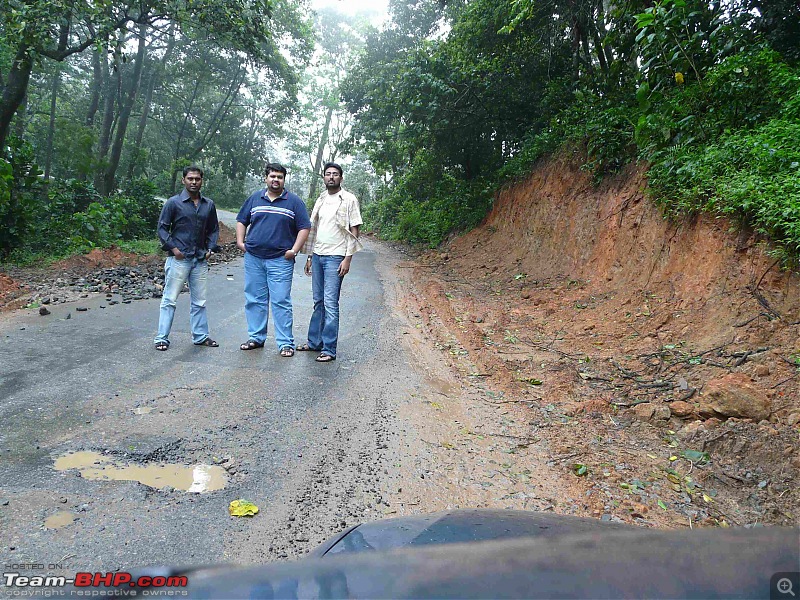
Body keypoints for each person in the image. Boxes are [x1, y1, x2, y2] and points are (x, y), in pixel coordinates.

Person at [236, 163, 311, 356]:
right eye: (272, 176)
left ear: (284, 180)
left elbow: (304, 227)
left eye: (279, 177)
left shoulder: (294, 202)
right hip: (254, 258)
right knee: (254, 299)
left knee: (280, 301)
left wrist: (294, 250)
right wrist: (240, 242)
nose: (275, 180)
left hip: (280, 260)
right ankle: (256, 337)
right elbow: (242, 220)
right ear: (266, 178)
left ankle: (285, 343)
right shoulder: (255, 198)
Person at [297, 162, 363, 362]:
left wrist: (347, 259)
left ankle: (329, 349)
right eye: (328, 174)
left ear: (341, 178)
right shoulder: (322, 198)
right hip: (318, 255)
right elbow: (314, 228)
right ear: (324, 177)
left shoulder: (349, 199)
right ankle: (314, 342)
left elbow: (355, 230)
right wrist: (309, 256)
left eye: (335, 174)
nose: (331, 177)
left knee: (330, 303)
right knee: (318, 301)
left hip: (336, 257)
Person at [154, 166, 219, 351]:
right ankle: (161, 338)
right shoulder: (173, 203)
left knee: (200, 301)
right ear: (183, 180)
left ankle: (200, 336)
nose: (193, 182)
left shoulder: (209, 205)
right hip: (179, 259)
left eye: (197, 179)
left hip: (200, 259)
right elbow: (162, 228)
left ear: (202, 181)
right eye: (190, 178)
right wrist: (174, 249)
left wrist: (210, 249)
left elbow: (213, 229)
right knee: (169, 299)